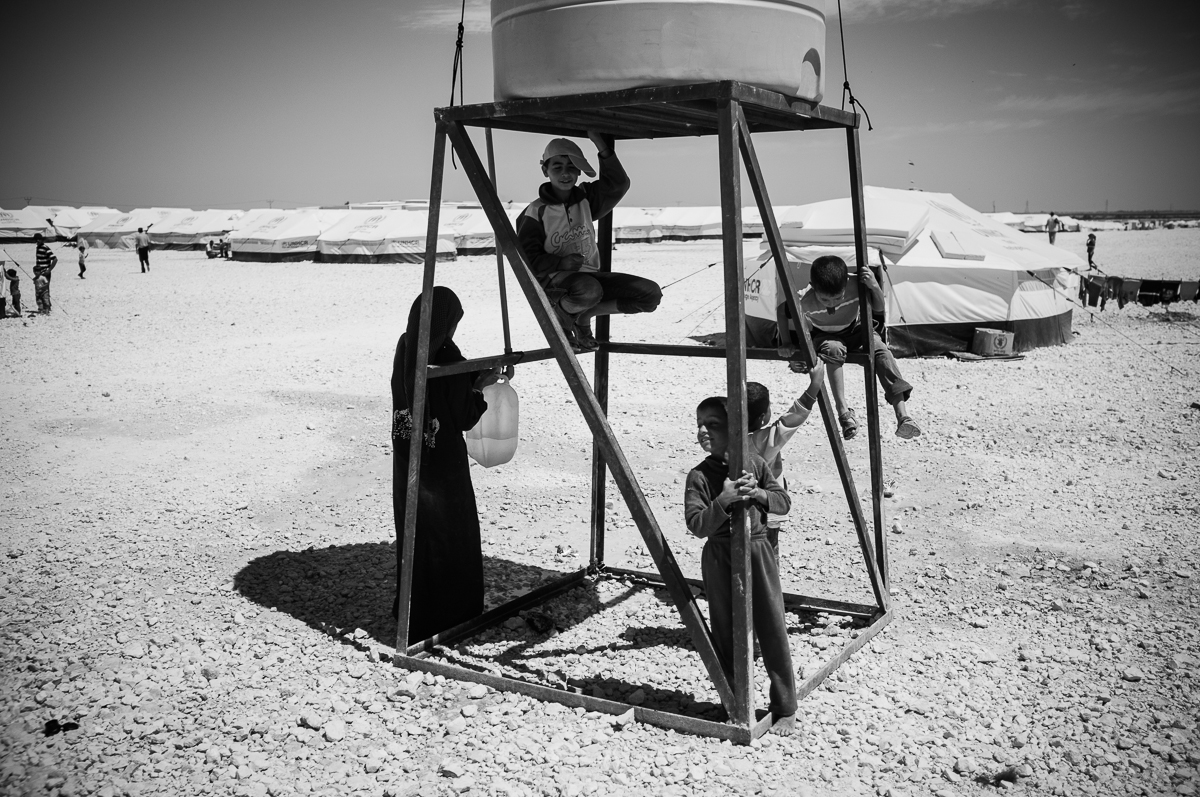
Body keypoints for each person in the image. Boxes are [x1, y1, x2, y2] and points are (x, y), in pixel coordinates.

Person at [391, 286, 503, 644]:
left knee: (416, 533)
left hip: (409, 454)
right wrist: (480, 386)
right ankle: (451, 614)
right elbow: (464, 416)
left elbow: (430, 390)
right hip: (444, 466)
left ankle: (412, 611)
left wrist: (467, 378)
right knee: (450, 535)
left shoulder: (407, 346)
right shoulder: (447, 357)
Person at [685, 396, 797, 734]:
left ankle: (785, 706)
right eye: (699, 424)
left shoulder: (756, 463)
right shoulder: (700, 475)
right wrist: (724, 500)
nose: (704, 431)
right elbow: (696, 524)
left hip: (757, 551)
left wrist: (759, 494)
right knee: (726, 629)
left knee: (772, 625)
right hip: (719, 557)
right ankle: (736, 702)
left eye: (713, 425)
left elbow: (783, 502)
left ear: (734, 429)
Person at [517, 132, 662, 353]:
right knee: (588, 290)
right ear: (545, 170)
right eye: (557, 167)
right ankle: (563, 321)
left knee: (649, 294)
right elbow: (527, 259)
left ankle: (585, 314)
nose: (565, 173)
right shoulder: (535, 211)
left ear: (578, 171)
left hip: (590, 277)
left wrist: (602, 149)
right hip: (556, 282)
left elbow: (618, 184)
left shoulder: (585, 197)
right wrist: (560, 263)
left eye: (572, 167)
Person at [799, 255, 920, 440]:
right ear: (812, 286)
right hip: (827, 335)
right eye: (825, 299)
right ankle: (844, 413)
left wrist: (874, 286)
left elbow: (879, 307)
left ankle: (903, 415)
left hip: (857, 329)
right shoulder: (804, 299)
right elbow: (783, 312)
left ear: (846, 283)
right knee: (833, 349)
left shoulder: (856, 283)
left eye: (837, 297)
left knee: (881, 350)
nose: (832, 304)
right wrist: (790, 346)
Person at [746, 363, 826, 552]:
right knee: (767, 557)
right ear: (763, 417)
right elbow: (793, 418)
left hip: (735, 511)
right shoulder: (763, 440)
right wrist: (814, 385)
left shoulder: (728, 437)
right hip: (766, 510)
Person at [33, 233, 57, 314]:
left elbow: (55, 259)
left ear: (42, 240)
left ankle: (47, 307)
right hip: (39, 273)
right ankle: (43, 307)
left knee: (45, 290)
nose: (37, 241)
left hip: (45, 273)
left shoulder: (45, 248)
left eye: (39, 239)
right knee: (39, 290)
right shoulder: (38, 248)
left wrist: (49, 270)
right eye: (36, 239)